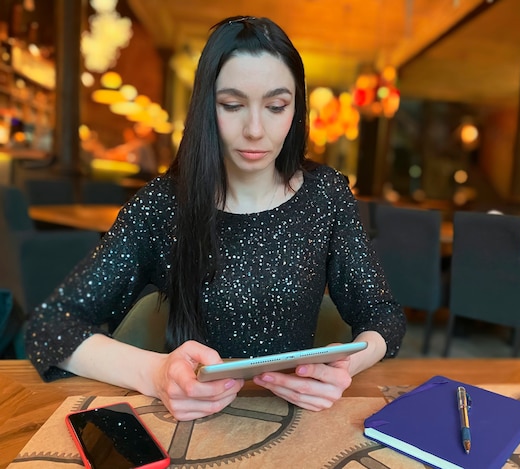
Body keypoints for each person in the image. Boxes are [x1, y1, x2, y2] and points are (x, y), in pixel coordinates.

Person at [26, 16, 406, 421]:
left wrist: (347, 365)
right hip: (190, 421)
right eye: (232, 105)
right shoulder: (164, 203)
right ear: (207, 107)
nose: (255, 130)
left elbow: (382, 316)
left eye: (277, 106)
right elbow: (49, 328)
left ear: (297, 108)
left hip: (297, 419)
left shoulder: (326, 194)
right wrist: (156, 374)